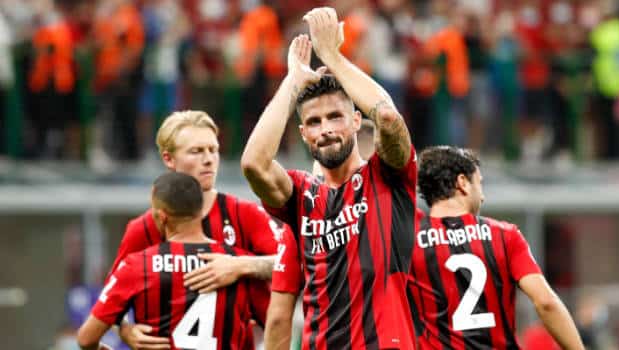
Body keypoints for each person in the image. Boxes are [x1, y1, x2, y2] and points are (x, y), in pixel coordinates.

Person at [241, 7, 417, 349]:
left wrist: (333, 57)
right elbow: (254, 164)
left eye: (335, 117)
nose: (325, 131)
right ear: (304, 133)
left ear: (355, 120)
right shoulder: (302, 198)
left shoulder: (385, 178)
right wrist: (293, 82)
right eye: (315, 123)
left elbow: (387, 118)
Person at [109, 110, 283, 348]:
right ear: (169, 159)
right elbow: (111, 298)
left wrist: (241, 265)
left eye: (213, 150)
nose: (209, 159)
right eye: (196, 151)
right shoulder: (144, 228)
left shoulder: (245, 214)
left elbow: (296, 264)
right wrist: (125, 330)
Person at [408, 146, 584, 349]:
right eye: (479, 184)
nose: (482, 197)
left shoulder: (409, 243)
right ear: (463, 183)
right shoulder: (504, 235)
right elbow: (546, 303)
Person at [77, 172, 262, 349]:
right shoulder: (240, 265)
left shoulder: (137, 265)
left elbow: (86, 338)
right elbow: (276, 318)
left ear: (161, 216)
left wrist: (120, 333)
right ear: (200, 210)